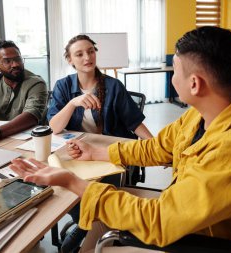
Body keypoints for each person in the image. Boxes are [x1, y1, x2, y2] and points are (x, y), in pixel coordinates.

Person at [10, 26, 231, 253]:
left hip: (212, 242)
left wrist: (70, 181)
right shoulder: (201, 115)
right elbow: (158, 147)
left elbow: (159, 222)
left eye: (175, 70)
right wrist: (97, 153)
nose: (172, 77)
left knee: (100, 217)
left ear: (195, 83)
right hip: (190, 216)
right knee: (98, 219)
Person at [46, 34, 153, 252]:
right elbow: (55, 127)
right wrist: (73, 103)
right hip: (77, 154)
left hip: (108, 154)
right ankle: (86, 223)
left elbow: (134, 122)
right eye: (79, 54)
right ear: (70, 60)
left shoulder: (113, 86)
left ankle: (83, 228)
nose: (87, 57)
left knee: (97, 193)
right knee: (64, 189)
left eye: (91, 51)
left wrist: (157, 145)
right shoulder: (63, 86)